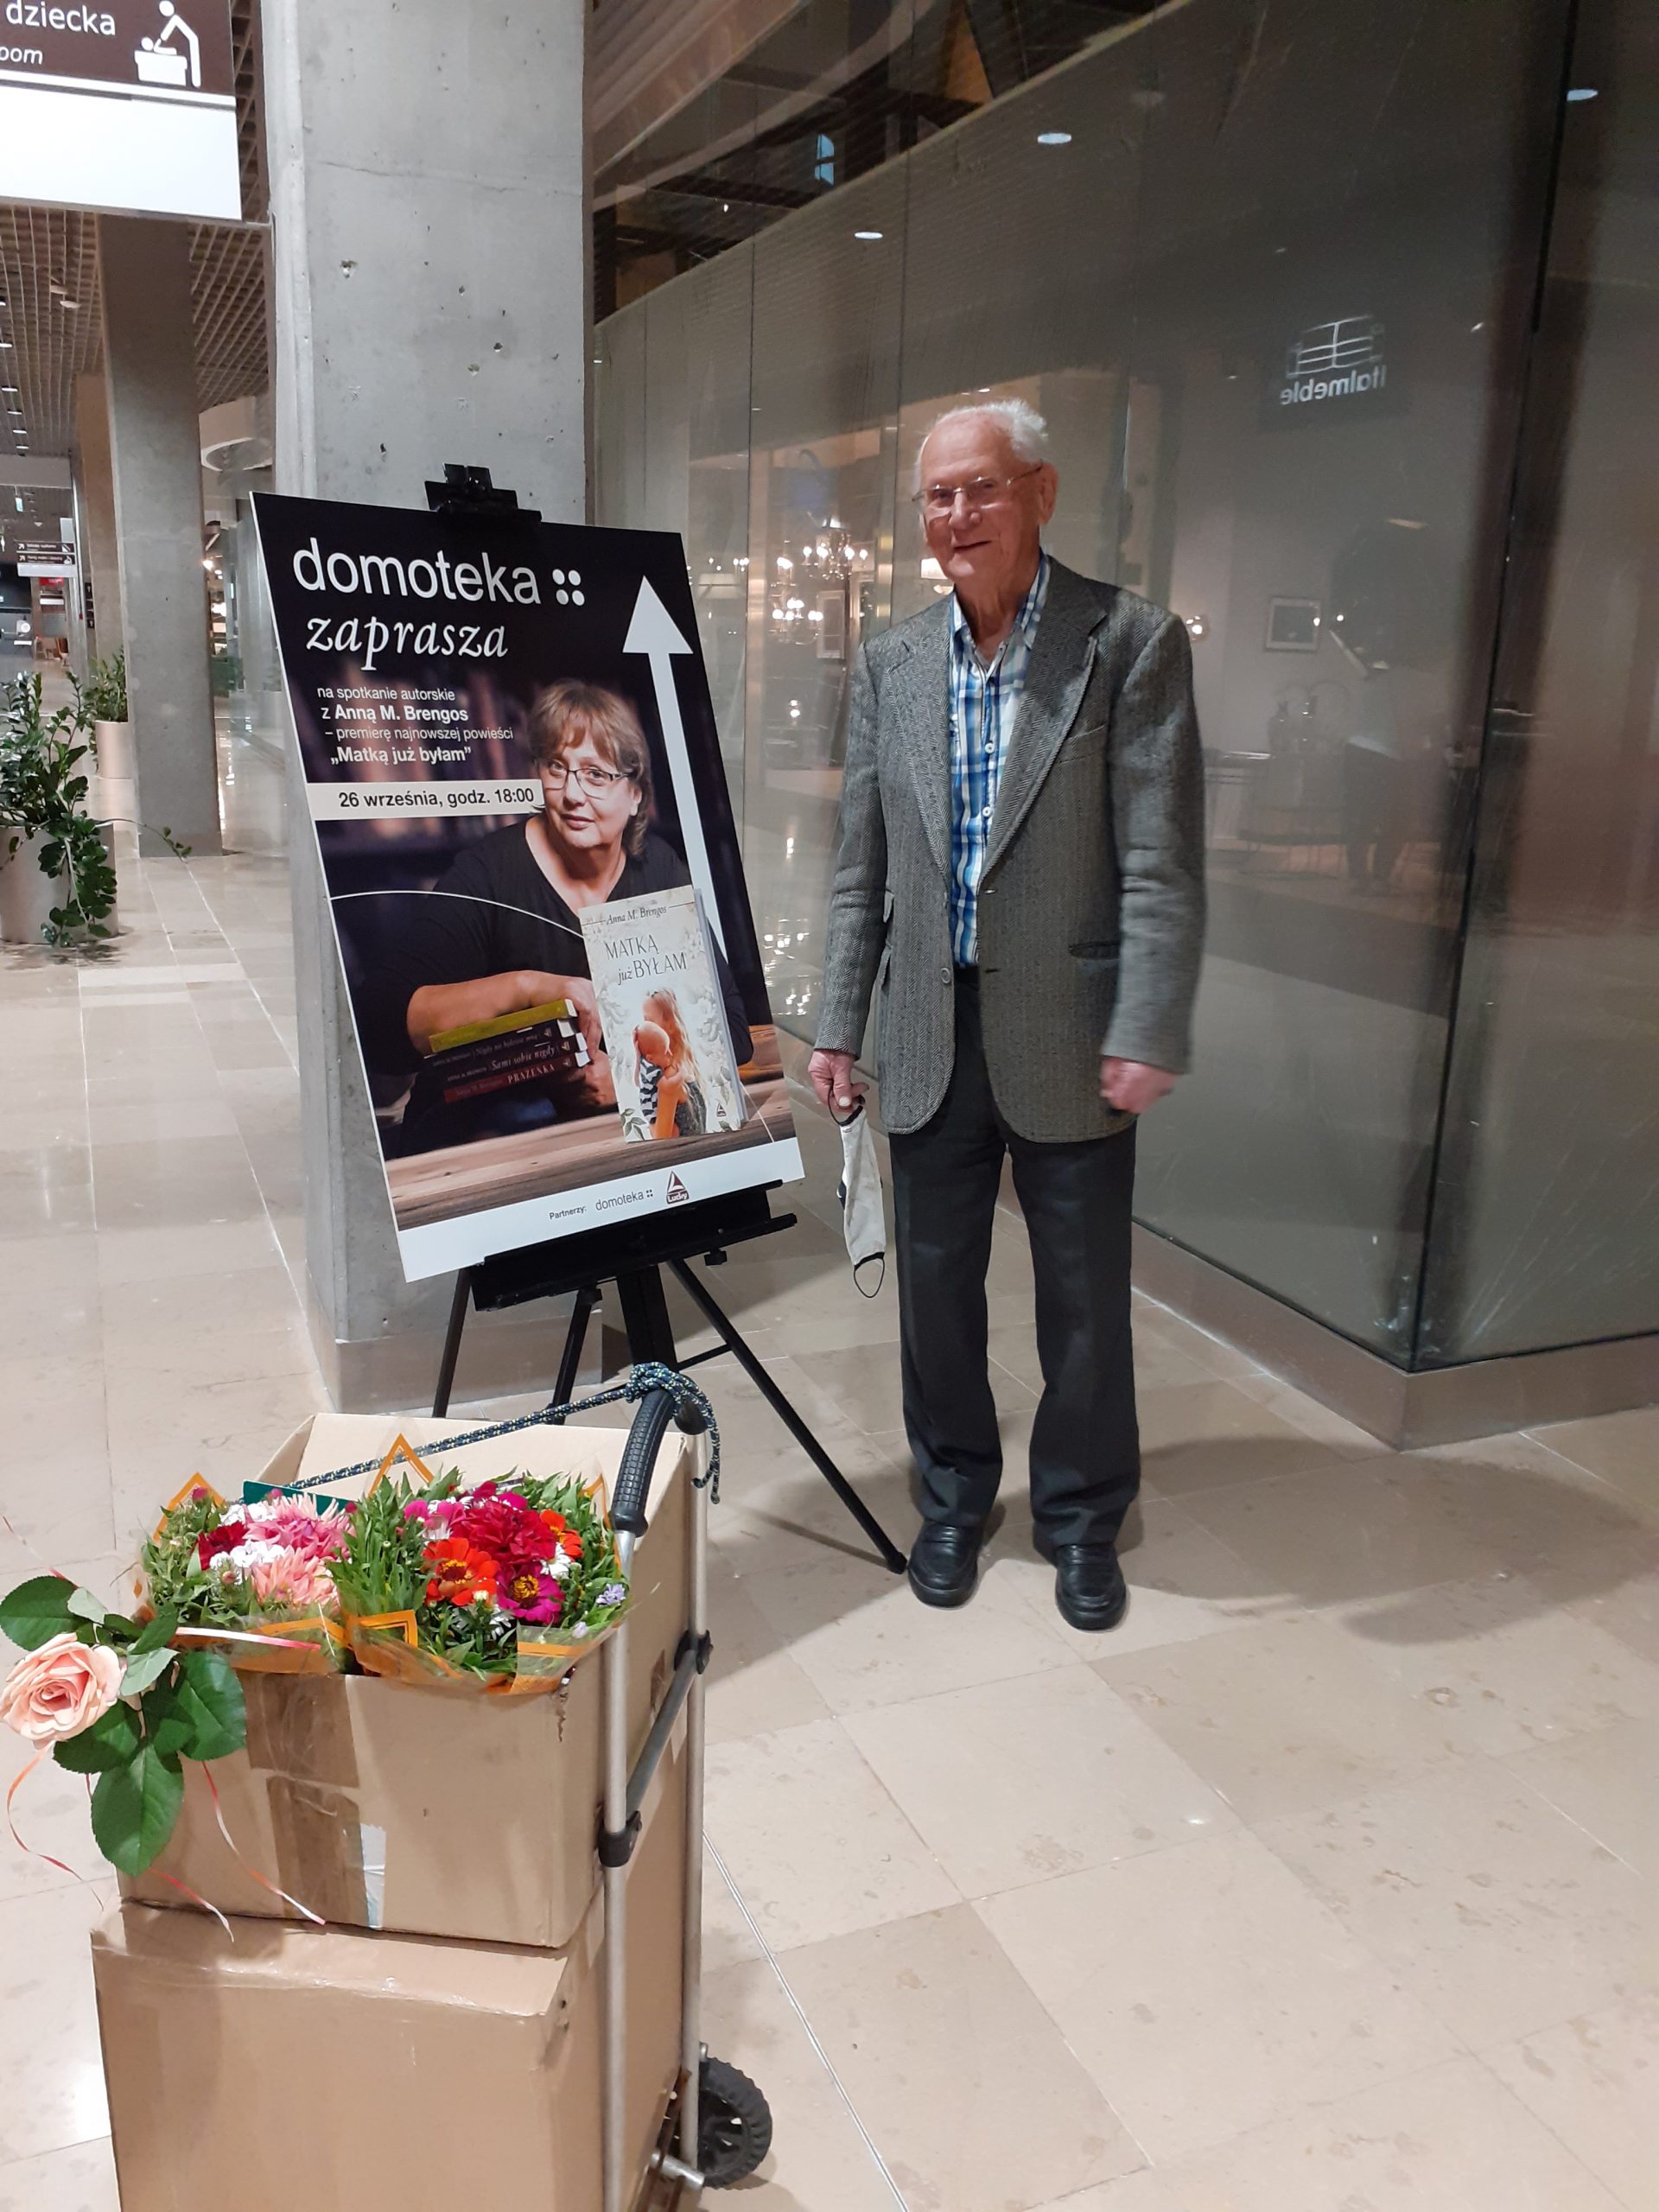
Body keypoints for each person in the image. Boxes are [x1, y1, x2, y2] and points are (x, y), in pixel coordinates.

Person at [809, 399, 1205, 1632]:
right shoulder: (893, 661)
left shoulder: (1128, 643)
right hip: (929, 1030)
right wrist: (836, 1023)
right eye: (937, 495)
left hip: (1071, 1031)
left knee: (1083, 1299)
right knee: (936, 1293)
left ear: (1040, 491)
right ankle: (952, 1497)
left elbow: (1162, 860)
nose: (956, 515)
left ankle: (1081, 1517)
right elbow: (860, 866)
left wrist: (1148, 1020)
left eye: (981, 487)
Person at [372, 681, 749, 1131]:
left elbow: (730, 1030)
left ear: (636, 795)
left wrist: (628, 1083)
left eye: (596, 775)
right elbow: (382, 1029)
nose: (572, 794)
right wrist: (526, 988)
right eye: (557, 767)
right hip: (483, 1137)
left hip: (604, 1137)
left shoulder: (659, 870)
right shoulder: (489, 872)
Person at [635, 990, 709, 1138]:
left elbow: (661, 1140)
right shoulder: (685, 1065)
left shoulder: (670, 1076)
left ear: (670, 1024)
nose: (644, 1027)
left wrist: (652, 1127)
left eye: (649, 1021)